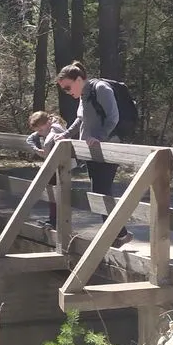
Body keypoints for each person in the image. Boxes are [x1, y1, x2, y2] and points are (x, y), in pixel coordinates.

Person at [55, 61, 133, 247]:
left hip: (107, 148)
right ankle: (118, 233)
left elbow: (114, 117)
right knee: (98, 191)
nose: (67, 92)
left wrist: (100, 136)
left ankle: (117, 234)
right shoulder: (84, 95)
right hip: (92, 150)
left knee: (102, 191)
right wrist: (65, 134)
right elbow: (80, 120)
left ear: (79, 79)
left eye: (67, 87)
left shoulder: (101, 88)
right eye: (63, 89)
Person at [26, 110, 68, 228]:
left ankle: (59, 222)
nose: (39, 133)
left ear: (48, 122)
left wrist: (45, 151)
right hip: (52, 164)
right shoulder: (45, 128)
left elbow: (55, 139)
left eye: (40, 130)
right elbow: (30, 139)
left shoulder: (57, 129)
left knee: (58, 193)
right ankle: (53, 220)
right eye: (38, 131)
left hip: (61, 164)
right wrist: (36, 149)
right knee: (51, 192)